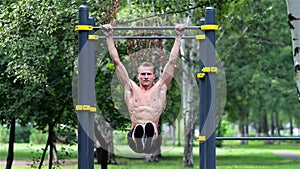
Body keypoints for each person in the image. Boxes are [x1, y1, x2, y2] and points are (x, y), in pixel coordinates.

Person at [102, 24, 185, 154]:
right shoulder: (130, 88)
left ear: (154, 76)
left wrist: (178, 36)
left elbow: (172, 61)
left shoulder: (160, 88)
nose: (146, 77)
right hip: (134, 137)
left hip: (154, 138)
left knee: (150, 127)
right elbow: (116, 61)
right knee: (139, 128)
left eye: (148, 74)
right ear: (138, 76)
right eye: (143, 74)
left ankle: (149, 138)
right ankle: (140, 138)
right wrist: (109, 36)